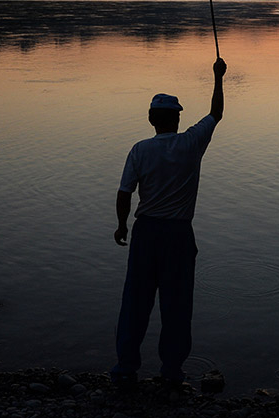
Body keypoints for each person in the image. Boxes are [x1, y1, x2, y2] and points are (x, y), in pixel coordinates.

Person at [111, 57, 227, 390]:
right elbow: (216, 113)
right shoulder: (190, 143)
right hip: (177, 234)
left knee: (135, 302)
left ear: (151, 119)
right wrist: (218, 78)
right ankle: (172, 372)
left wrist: (122, 226)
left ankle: (125, 367)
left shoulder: (140, 150)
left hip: (146, 232)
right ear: (177, 120)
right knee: (177, 306)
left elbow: (124, 193)